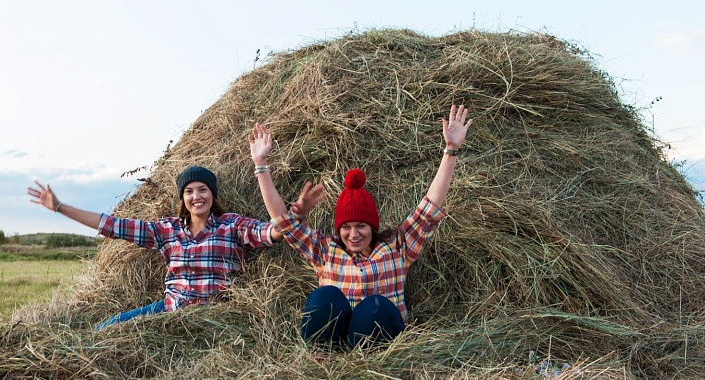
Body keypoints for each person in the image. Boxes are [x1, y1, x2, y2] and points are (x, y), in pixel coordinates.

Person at [248, 104, 472, 349]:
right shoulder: (325, 250)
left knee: (376, 307)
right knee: (325, 297)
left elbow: (429, 207)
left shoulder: (398, 246)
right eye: (347, 227)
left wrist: (451, 150)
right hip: (336, 334)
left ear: (373, 226)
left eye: (361, 226)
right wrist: (261, 164)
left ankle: (365, 360)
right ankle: (321, 357)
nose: (353, 234)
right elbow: (283, 221)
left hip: (377, 337)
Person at [28, 166, 285, 328]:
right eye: (190, 191)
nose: (197, 197)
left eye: (203, 190)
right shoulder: (167, 230)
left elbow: (270, 232)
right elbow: (112, 225)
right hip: (171, 308)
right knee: (107, 328)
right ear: (183, 199)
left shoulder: (232, 225)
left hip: (215, 314)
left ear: (212, 194)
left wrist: (284, 222)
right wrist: (61, 208)